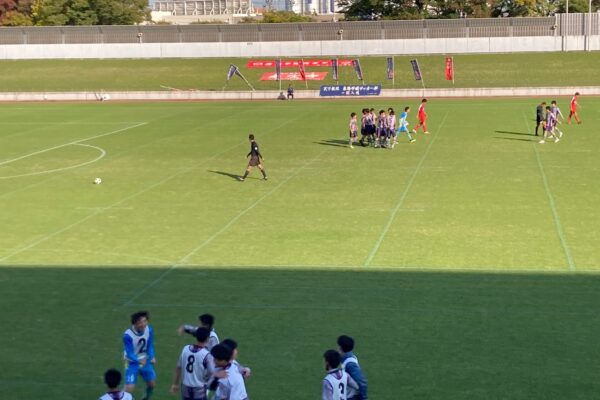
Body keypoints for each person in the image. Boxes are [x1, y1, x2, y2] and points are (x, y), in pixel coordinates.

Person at [170, 327, 214, 400]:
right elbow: (212, 373)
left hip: (185, 388)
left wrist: (175, 384)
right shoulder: (206, 355)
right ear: (207, 339)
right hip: (199, 389)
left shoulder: (185, 349)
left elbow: (178, 367)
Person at [123, 311, 156, 400]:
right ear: (135, 323)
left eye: (145, 321)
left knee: (152, 384)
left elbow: (149, 346)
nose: (143, 324)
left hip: (145, 360)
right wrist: (138, 360)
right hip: (131, 362)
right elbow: (129, 353)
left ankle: (145, 398)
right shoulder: (128, 335)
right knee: (129, 388)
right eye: (140, 322)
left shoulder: (149, 330)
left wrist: (152, 356)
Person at [337, 335, 368, 400]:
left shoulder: (350, 364)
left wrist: (363, 398)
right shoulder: (346, 358)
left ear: (340, 348)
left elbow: (362, 382)